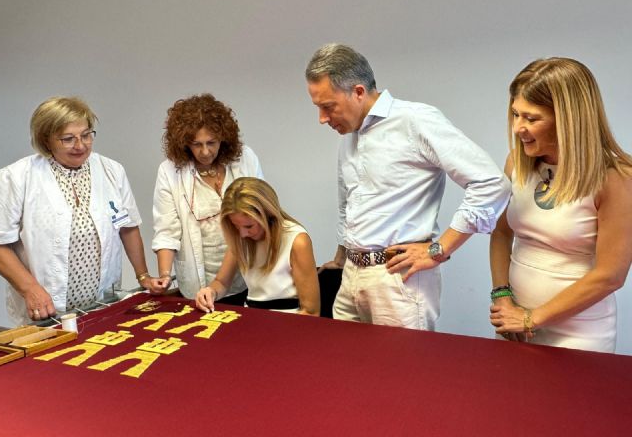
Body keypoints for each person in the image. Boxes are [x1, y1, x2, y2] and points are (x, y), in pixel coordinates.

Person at [305, 43, 511, 330]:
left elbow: (491, 183)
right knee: (345, 358)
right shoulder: (349, 136)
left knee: (403, 361)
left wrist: (439, 249)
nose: (322, 118)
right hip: (350, 274)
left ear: (358, 92)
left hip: (398, 279)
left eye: (328, 107)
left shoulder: (415, 121)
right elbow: (350, 202)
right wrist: (342, 257)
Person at [489, 58, 632, 352]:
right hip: (515, 323)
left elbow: (610, 276)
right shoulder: (517, 163)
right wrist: (502, 297)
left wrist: (532, 318)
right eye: (515, 114)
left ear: (568, 120)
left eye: (531, 119)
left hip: (579, 334)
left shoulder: (615, 178)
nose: (517, 127)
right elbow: (501, 233)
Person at [0, 96, 162, 325]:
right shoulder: (16, 177)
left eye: (86, 135)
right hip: (46, 310)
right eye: (68, 139)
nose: (80, 145)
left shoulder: (112, 170)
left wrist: (143, 275)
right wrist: (30, 289)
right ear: (46, 140)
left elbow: (128, 227)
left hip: (103, 304)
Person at [152, 93, 263, 304]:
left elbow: (262, 211)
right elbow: (166, 230)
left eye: (211, 142)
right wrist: (165, 275)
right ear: (184, 143)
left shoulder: (245, 158)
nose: (205, 152)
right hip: (200, 285)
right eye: (196, 144)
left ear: (224, 137)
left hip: (248, 276)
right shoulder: (169, 171)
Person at [195, 177, 319, 316]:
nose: (242, 234)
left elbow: (311, 311)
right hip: (251, 317)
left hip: (288, 318)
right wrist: (211, 292)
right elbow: (222, 282)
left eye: (249, 226)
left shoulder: (297, 241)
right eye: (236, 226)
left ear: (268, 215)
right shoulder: (239, 237)